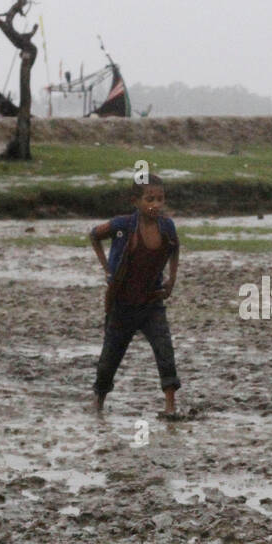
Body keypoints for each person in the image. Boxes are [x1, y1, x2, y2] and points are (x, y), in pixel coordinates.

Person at [90, 175, 182, 417]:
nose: (156, 204)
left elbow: (175, 248)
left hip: (152, 303)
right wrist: (107, 269)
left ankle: (170, 406)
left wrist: (171, 279)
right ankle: (98, 400)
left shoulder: (167, 227)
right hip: (122, 304)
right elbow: (94, 235)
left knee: (165, 351)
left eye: (160, 199)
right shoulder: (123, 225)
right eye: (149, 199)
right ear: (136, 201)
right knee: (110, 355)